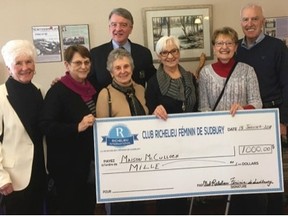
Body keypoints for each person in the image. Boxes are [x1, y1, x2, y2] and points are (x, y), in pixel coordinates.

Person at [198, 26, 263, 214]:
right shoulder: (205, 74)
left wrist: (244, 109)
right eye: (220, 43)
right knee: (225, 183)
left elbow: (257, 103)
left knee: (245, 185)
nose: (224, 47)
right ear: (214, 47)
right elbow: (203, 107)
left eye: (229, 43)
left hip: (243, 138)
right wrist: (218, 126)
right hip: (218, 139)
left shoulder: (247, 71)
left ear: (235, 47)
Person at [234, 3, 288, 214]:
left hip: (271, 115)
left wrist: (284, 120)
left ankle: (274, 211)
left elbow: (287, 83)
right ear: (241, 23)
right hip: (245, 117)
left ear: (262, 21)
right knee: (246, 167)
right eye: (246, 20)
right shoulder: (236, 48)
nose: (250, 24)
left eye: (254, 19)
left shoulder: (277, 47)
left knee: (271, 171)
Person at [39, 45, 97, 214]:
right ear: (67, 65)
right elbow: (45, 125)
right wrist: (76, 127)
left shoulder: (91, 88)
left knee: (87, 207)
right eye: (78, 62)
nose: (84, 66)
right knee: (70, 208)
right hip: (67, 166)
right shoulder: (57, 91)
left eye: (87, 62)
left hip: (88, 163)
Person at [145, 35, 199, 214]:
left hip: (188, 143)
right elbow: (149, 109)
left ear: (179, 52)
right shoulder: (153, 83)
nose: (170, 56)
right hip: (165, 146)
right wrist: (154, 110)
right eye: (164, 52)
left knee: (185, 187)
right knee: (167, 192)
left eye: (173, 51)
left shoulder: (189, 78)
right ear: (159, 56)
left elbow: (196, 107)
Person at [96, 48, 148, 214]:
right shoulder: (105, 95)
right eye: (117, 68)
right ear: (111, 72)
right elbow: (101, 136)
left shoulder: (141, 89)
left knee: (140, 207)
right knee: (120, 209)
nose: (123, 71)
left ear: (132, 69)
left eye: (126, 66)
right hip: (118, 165)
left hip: (143, 160)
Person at [0, 40, 47, 214]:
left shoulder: (39, 90)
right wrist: (1, 178)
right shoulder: (1, 96)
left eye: (29, 62)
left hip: (39, 171)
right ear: (9, 68)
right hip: (13, 179)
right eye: (18, 63)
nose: (25, 67)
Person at [89, 7, 157, 92]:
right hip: (106, 103)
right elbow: (90, 87)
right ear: (109, 28)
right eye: (114, 24)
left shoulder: (143, 53)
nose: (118, 29)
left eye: (123, 25)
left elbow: (153, 83)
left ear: (131, 29)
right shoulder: (95, 54)